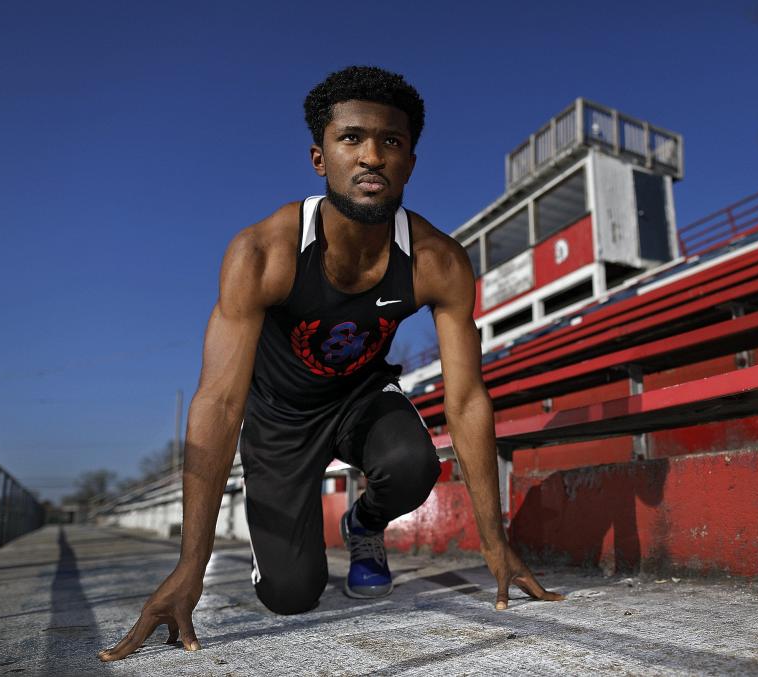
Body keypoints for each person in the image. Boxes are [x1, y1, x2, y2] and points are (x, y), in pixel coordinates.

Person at [98, 65, 563, 663]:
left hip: (359, 396)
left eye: (390, 142)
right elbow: (217, 402)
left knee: (411, 462)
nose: (371, 156)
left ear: (410, 162)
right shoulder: (263, 251)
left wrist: (495, 544)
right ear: (320, 158)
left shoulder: (436, 260)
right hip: (279, 417)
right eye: (351, 139)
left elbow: (467, 398)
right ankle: (292, 552)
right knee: (292, 597)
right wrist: (192, 564)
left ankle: (365, 525)